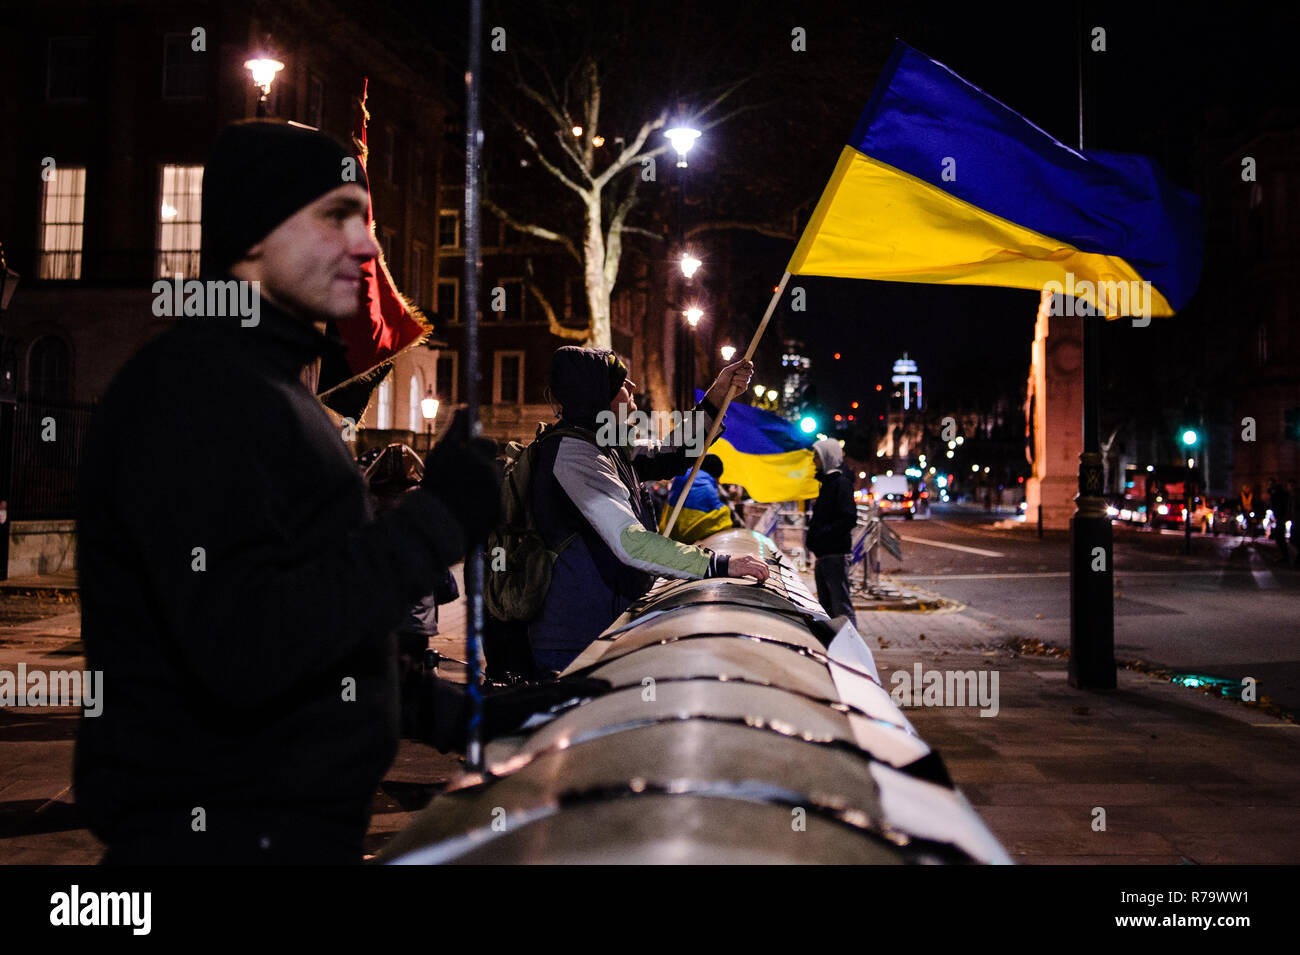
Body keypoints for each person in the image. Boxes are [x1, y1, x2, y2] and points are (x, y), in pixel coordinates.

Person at [74, 121, 499, 865]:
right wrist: (434, 521)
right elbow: (244, 644)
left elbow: (317, 620)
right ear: (253, 235)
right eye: (337, 215)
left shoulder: (265, 384)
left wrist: (472, 716)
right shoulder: (196, 390)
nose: (367, 246)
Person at [526, 347, 769, 673]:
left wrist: (719, 394)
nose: (635, 388)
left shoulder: (605, 446)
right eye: (623, 384)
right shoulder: (574, 455)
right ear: (598, 395)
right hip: (573, 641)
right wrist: (718, 564)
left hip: (600, 628)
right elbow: (632, 543)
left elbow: (671, 454)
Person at [806, 438, 859, 628]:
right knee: (827, 607)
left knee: (841, 607)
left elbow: (848, 518)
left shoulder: (840, 484)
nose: (814, 461)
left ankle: (852, 651)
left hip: (834, 555)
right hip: (824, 555)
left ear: (826, 457)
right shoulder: (827, 484)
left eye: (816, 456)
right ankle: (834, 648)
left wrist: (822, 536)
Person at [659, 453, 742, 544]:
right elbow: (727, 512)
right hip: (689, 534)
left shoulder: (681, 475)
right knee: (725, 512)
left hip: (669, 529)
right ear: (715, 475)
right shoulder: (709, 486)